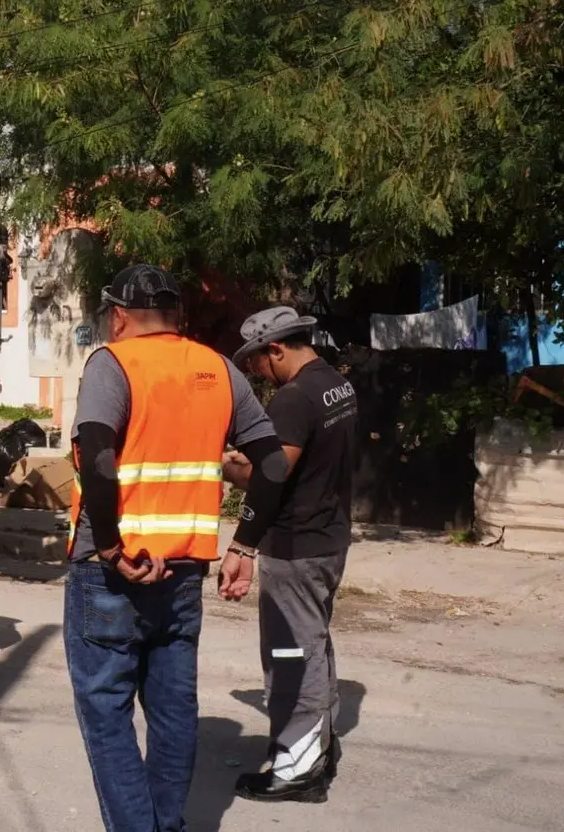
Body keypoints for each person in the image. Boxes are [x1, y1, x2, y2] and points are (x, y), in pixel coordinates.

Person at [65, 264, 291, 832]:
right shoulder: (216, 368)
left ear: (119, 315)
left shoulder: (111, 363)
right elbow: (271, 463)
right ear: (177, 316)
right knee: (173, 713)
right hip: (185, 569)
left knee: (107, 714)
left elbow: (97, 457)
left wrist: (113, 549)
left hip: (114, 573)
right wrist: (244, 543)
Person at [222, 306, 358, 803]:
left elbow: (273, 478)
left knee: (290, 653)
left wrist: (241, 544)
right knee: (315, 644)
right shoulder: (336, 385)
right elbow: (294, 463)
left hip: (296, 546)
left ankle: (295, 765)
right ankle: (319, 743)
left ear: (276, 349)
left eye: (257, 361)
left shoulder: (294, 399)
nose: (258, 371)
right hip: (329, 538)